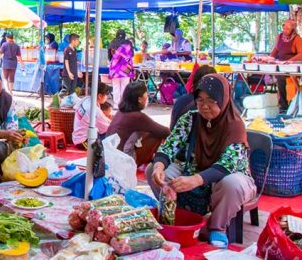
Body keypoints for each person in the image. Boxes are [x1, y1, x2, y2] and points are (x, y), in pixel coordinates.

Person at [147, 74, 254, 249]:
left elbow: (227, 165)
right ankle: (177, 214)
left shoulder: (234, 125)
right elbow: (169, 146)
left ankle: (216, 227)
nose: (204, 106)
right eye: (200, 100)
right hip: (193, 170)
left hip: (230, 178)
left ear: (223, 99)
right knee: (153, 170)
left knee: (232, 184)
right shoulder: (191, 118)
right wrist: (159, 165)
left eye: (211, 100)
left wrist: (195, 180)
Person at [104, 81, 171, 165]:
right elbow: (165, 132)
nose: (147, 97)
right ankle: (154, 160)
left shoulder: (120, 112)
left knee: (147, 130)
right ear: (139, 99)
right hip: (124, 160)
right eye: (146, 94)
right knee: (157, 135)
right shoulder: (138, 117)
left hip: (109, 156)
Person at [270, 19, 302, 108]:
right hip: (280, 64)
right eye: (284, 28)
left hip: (291, 66)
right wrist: (269, 58)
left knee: (281, 77)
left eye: (287, 29)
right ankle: (282, 103)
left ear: (292, 29)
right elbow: (276, 49)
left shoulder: (297, 38)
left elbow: (301, 54)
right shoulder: (280, 36)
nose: (285, 31)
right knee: (277, 75)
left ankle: (286, 104)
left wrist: (291, 60)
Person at [73, 82, 113, 147]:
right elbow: (107, 128)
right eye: (106, 95)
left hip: (76, 137)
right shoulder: (94, 110)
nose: (107, 97)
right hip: (83, 142)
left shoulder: (85, 99)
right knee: (110, 133)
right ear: (100, 96)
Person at [109, 38, 135, 106]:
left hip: (115, 70)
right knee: (124, 87)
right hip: (126, 69)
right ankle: (123, 104)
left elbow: (114, 57)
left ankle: (116, 104)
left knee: (116, 87)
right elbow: (131, 58)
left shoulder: (115, 45)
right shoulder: (130, 48)